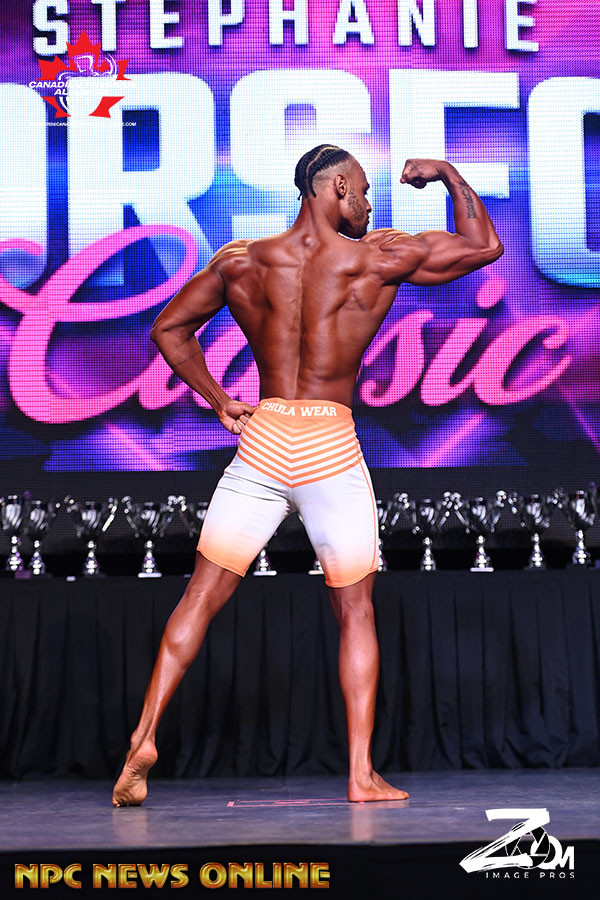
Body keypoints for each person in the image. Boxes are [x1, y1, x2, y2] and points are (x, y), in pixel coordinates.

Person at [112, 147, 503, 806]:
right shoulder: (376, 257)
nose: (370, 205)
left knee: (199, 597)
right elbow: (483, 246)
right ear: (338, 186)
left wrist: (220, 400)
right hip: (329, 446)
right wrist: (445, 173)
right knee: (355, 610)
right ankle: (360, 774)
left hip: (263, 441)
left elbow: (169, 330)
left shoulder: (242, 261)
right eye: (365, 191)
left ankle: (143, 738)